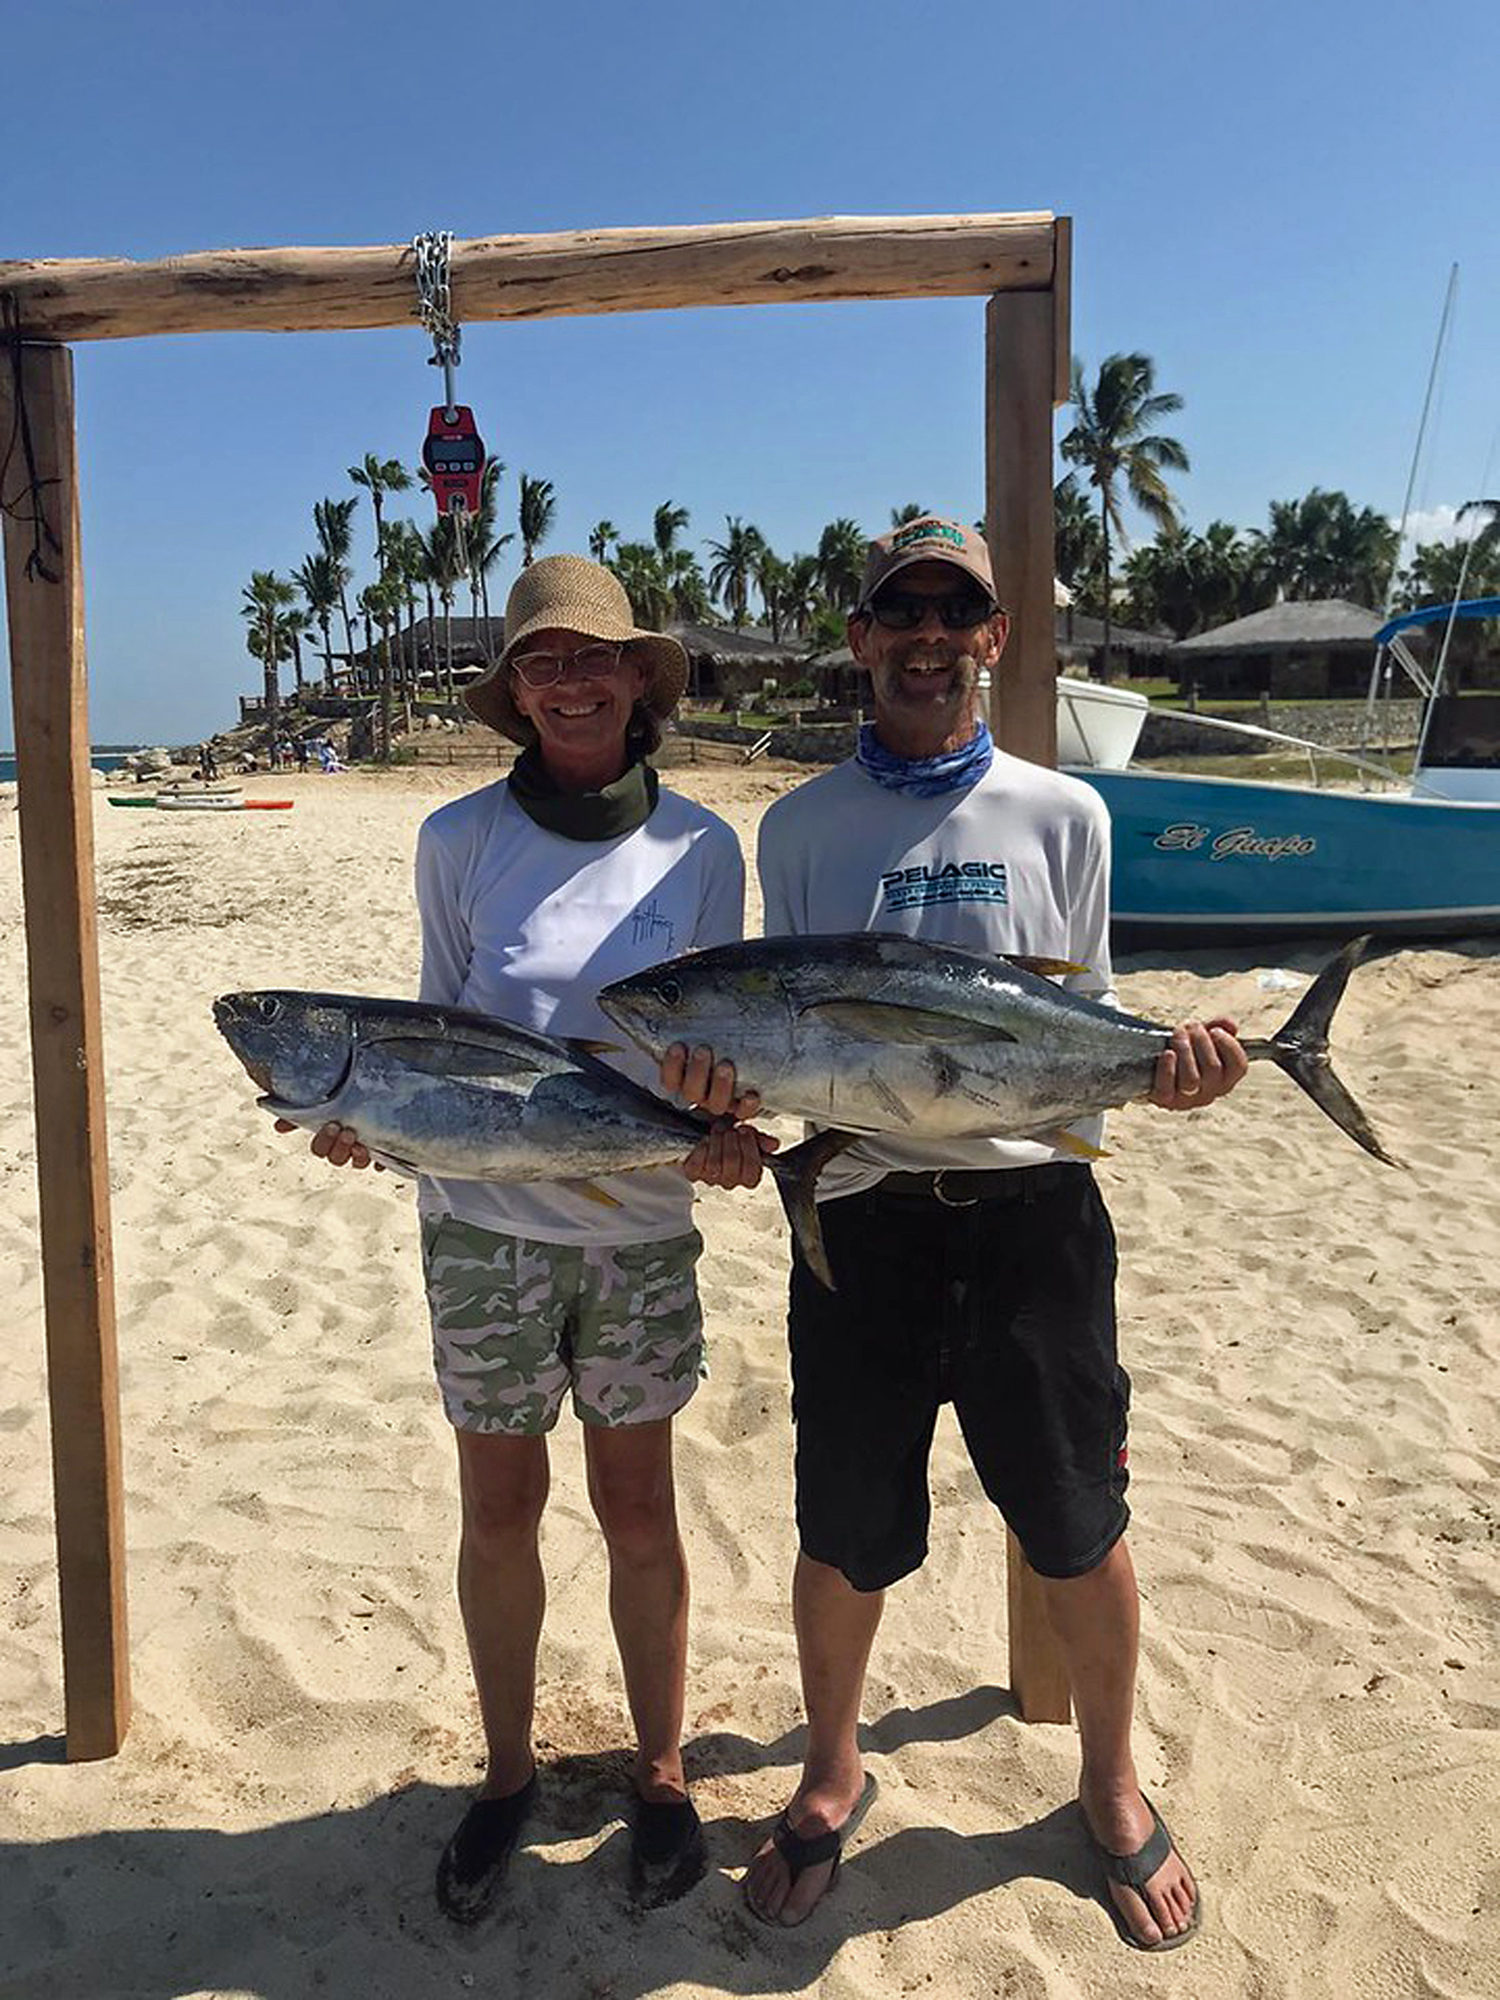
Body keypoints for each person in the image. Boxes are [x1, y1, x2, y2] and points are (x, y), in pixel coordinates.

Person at [663, 517, 1248, 1950]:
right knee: (844, 1529)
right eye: (900, 611)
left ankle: (1110, 1781)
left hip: (1036, 1221)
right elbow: (799, 1037)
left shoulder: (1066, 815)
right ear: (860, 639)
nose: (927, 636)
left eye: (954, 611)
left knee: (1078, 1521)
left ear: (993, 636)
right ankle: (832, 1770)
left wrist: (1166, 1074)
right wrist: (726, 1094)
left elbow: (1080, 1019)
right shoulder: (799, 828)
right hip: (861, 1220)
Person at [282, 555, 769, 1920]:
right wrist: (374, 1124)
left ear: (636, 679)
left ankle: (661, 1772)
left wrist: (721, 1131)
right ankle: (506, 1774)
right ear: (515, 691)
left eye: (593, 658)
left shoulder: (701, 849)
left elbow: (711, 1049)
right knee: (499, 1513)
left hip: (640, 1230)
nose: (570, 683)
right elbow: (434, 1033)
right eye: (542, 662)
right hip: (481, 1228)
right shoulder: (457, 839)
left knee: (639, 1510)